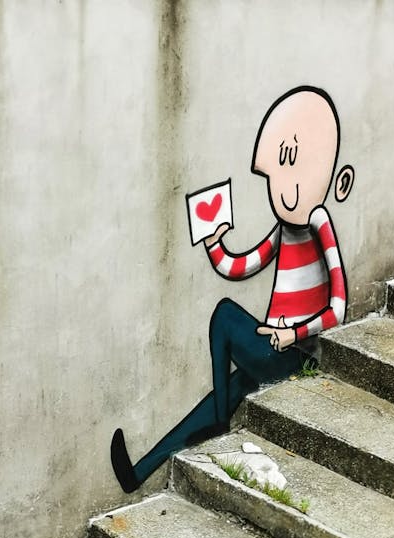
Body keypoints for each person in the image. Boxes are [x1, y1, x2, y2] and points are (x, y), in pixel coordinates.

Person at [110, 86, 355, 493]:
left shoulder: (318, 222)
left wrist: (292, 334)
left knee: (224, 315)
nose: (280, 187)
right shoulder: (285, 229)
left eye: (288, 166)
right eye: (273, 176)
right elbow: (241, 265)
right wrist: (214, 243)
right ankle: (137, 473)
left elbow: (339, 308)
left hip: (295, 356)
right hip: (274, 349)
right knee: (213, 402)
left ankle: (221, 424)